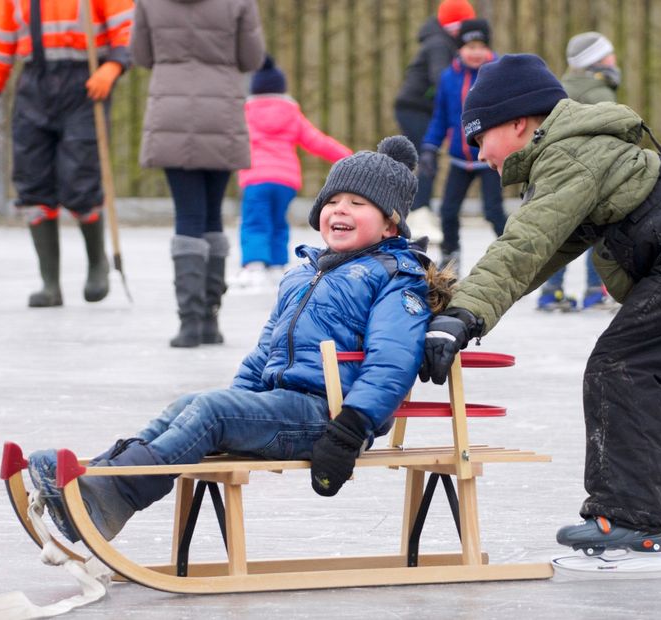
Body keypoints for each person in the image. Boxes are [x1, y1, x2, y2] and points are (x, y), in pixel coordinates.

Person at [419, 54, 661, 577]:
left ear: (517, 123)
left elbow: (524, 241)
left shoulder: (569, 156)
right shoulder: (588, 153)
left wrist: (461, 316)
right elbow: (533, 259)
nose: (477, 151)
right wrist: (463, 309)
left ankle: (629, 522)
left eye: (478, 136)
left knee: (622, 368)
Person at [25, 137, 453, 543]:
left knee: (211, 411)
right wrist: (236, 405)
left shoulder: (396, 278)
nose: (340, 210)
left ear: (389, 225)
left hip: (328, 419)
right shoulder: (306, 272)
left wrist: (350, 429)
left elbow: (392, 362)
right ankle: (94, 479)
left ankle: (115, 499)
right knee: (189, 405)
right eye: (333, 201)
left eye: (358, 204)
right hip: (284, 406)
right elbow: (265, 350)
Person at [0, 0, 135, 308]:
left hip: (85, 83)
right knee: (32, 181)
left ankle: (98, 265)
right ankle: (50, 284)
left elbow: (129, 29)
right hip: (34, 85)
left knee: (80, 178)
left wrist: (114, 65)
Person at [130, 0, 265, 348]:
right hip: (220, 111)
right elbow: (252, 58)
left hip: (171, 112)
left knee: (187, 215)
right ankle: (209, 320)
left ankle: (189, 322)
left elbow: (141, 55)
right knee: (211, 215)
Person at [234, 55, 353, 291]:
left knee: (255, 222)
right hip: (286, 181)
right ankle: (278, 265)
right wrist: (349, 156)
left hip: (255, 178)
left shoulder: (245, 114)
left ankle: (255, 267)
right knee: (278, 221)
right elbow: (317, 141)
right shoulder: (291, 114)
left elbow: (229, 143)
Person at [537, 32, 621, 312]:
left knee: (563, 232)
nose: (614, 60)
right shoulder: (598, 93)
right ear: (596, 62)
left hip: (561, 170)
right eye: (609, 55)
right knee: (598, 230)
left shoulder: (562, 87)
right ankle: (595, 292)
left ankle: (551, 290)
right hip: (592, 171)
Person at [419, 18, 506, 270]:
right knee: (447, 211)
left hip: (490, 158)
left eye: (481, 46)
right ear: (459, 49)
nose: (476, 52)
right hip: (459, 158)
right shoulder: (448, 78)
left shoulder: (499, 74)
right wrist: (429, 147)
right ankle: (451, 254)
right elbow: (440, 117)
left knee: (493, 211)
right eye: (470, 47)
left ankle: (513, 252)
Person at [394, 0, 477, 245]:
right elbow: (442, 79)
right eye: (456, 26)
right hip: (414, 108)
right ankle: (419, 214)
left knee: (424, 158)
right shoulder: (439, 43)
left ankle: (418, 210)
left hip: (423, 108)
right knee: (426, 157)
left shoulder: (445, 40)